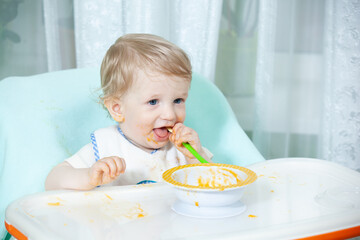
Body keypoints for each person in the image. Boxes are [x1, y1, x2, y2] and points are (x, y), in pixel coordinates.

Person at [45, 33, 212, 190]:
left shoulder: (182, 150)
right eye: (153, 102)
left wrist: (194, 158)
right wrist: (89, 176)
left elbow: (214, 185)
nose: (170, 115)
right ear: (117, 109)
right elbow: (52, 181)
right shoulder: (106, 145)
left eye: (178, 100)